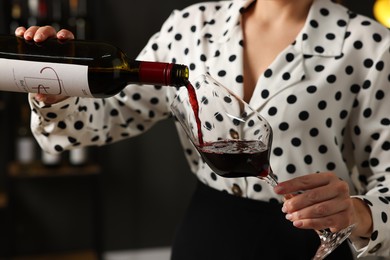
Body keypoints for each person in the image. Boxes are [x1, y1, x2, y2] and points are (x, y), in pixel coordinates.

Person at [14, 0, 389, 259]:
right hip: (210, 230)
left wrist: (358, 214)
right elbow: (92, 125)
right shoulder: (192, 27)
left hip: (311, 243)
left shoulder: (371, 46)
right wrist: (54, 95)